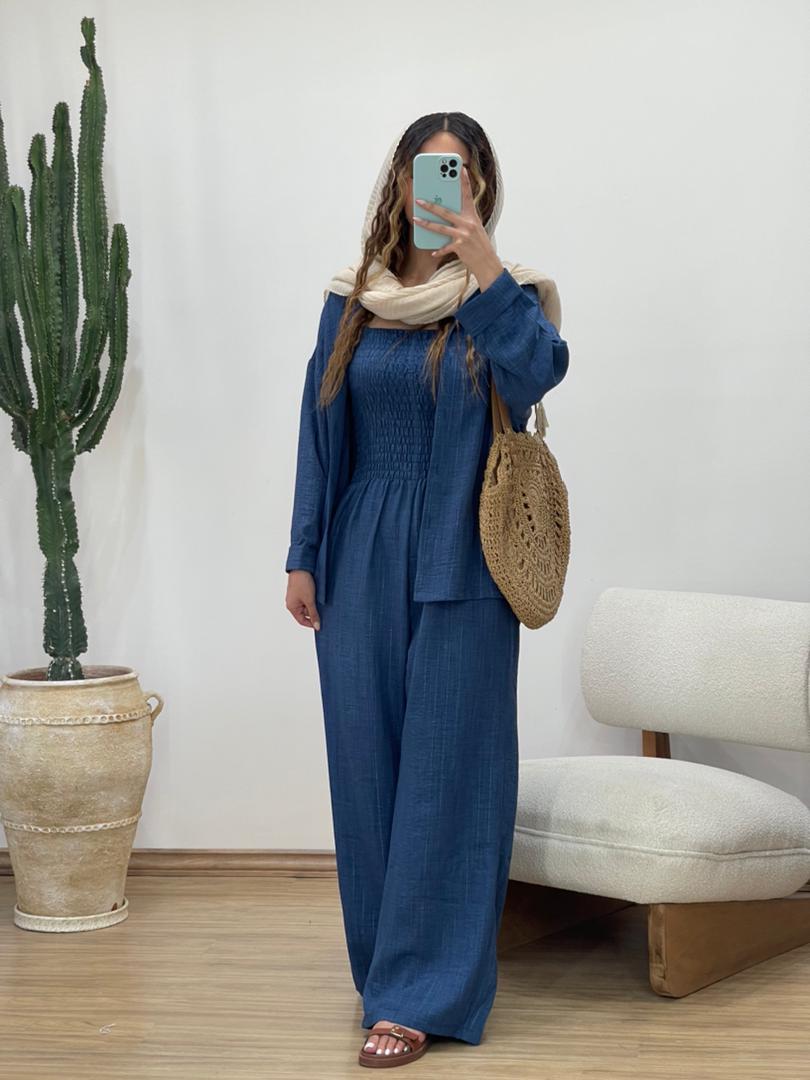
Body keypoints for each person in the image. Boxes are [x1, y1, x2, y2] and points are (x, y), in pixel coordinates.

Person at [285, 111, 570, 1067]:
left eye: (460, 173)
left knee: (451, 774)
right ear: (401, 183)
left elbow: (539, 375)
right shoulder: (351, 298)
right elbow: (318, 426)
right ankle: (386, 979)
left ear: (480, 187)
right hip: (359, 552)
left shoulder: (510, 294)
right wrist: (303, 552)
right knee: (366, 770)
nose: (441, 188)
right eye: (425, 171)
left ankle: (423, 996)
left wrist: (484, 270)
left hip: (465, 555)